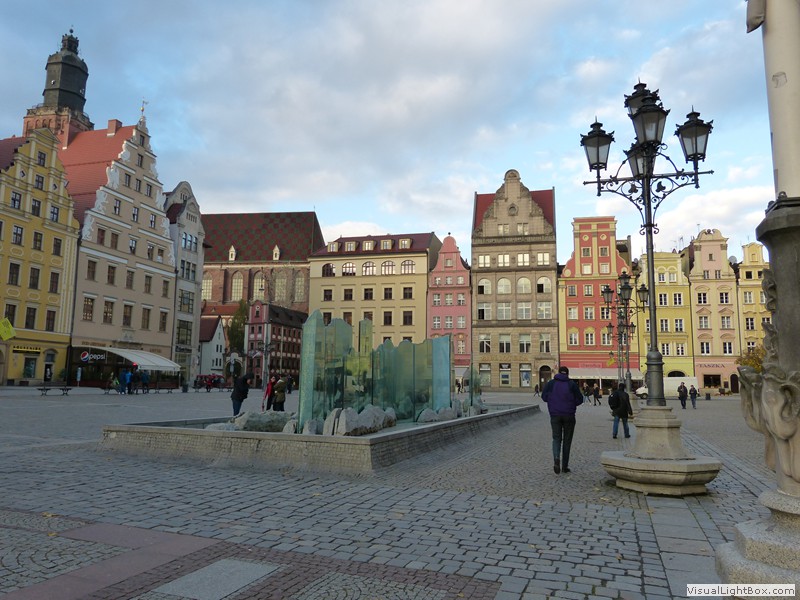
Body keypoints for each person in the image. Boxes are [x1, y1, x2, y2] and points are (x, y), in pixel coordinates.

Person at [542, 366, 584, 474]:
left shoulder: (551, 383)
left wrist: (552, 402)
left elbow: (544, 397)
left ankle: (556, 459)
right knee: (567, 441)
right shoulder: (572, 384)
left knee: (556, 438)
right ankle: (565, 466)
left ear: (558, 372)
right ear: (567, 374)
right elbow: (580, 399)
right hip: (569, 415)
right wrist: (572, 404)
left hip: (555, 415)